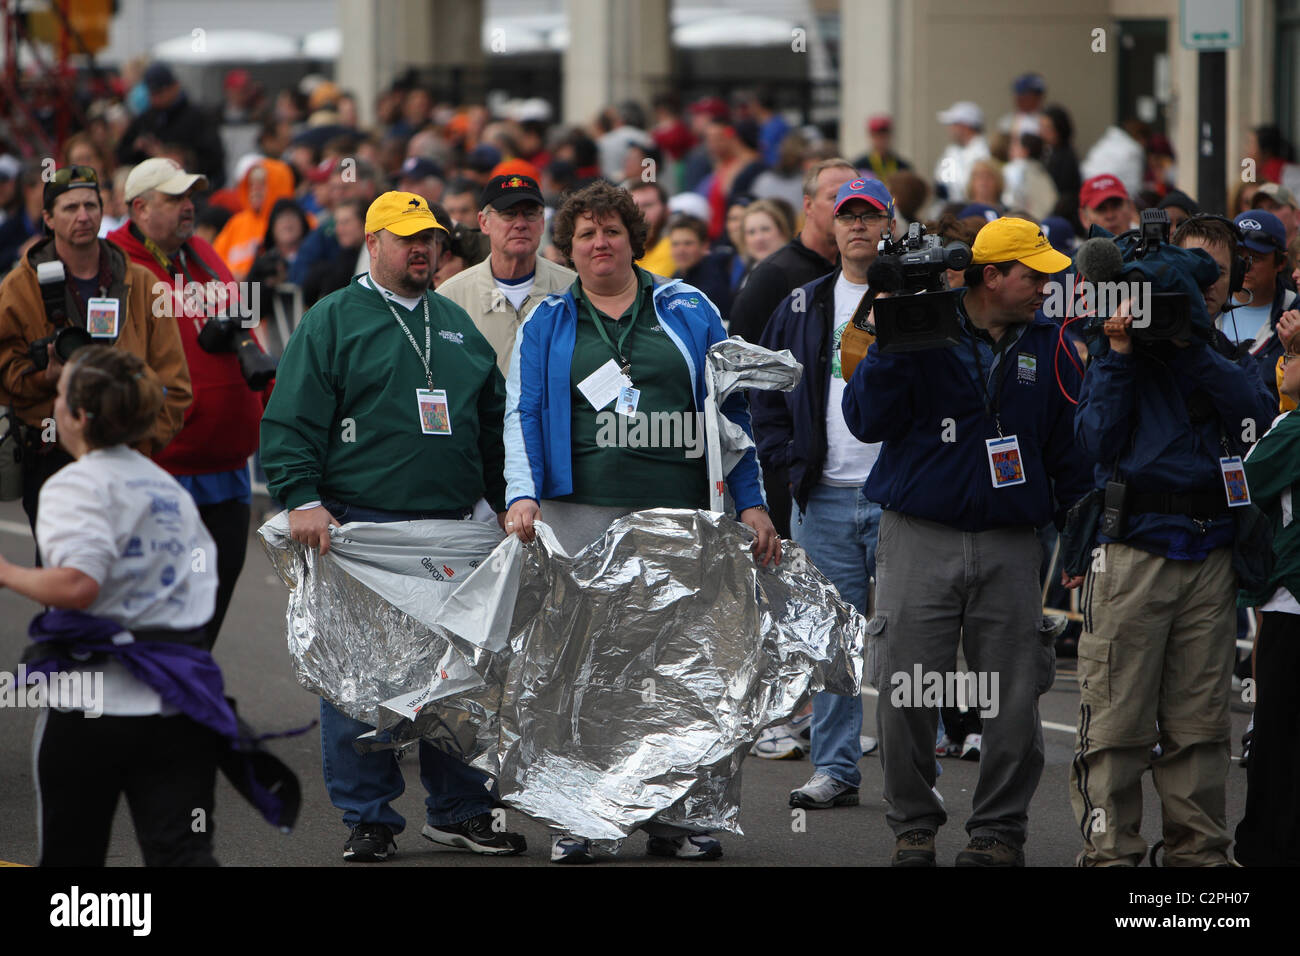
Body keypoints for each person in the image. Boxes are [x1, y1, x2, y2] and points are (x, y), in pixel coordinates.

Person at [500, 180, 778, 864]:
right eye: (587, 233)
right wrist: (522, 493)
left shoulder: (687, 307)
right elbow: (522, 413)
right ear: (571, 247)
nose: (600, 243)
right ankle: (579, 817)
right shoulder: (547, 320)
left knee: (674, 669)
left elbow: (730, 415)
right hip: (578, 514)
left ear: (633, 237)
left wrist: (751, 501)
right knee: (582, 670)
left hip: (677, 514)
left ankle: (675, 819)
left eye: (612, 230)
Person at [260, 191, 527, 862]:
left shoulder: (457, 324)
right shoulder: (333, 319)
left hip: (454, 532)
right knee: (357, 679)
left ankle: (461, 808)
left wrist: (508, 501)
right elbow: (291, 418)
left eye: (430, 239)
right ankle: (369, 816)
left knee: (456, 678)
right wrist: (300, 496)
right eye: (406, 238)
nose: (421, 249)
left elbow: (491, 429)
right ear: (373, 243)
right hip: (360, 532)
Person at [843, 217, 1088, 866]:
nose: (1046, 285)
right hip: (919, 535)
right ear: (991, 276)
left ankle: (998, 834)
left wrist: (1081, 547)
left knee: (1013, 699)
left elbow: (1069, 454)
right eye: (1033, 274)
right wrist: (892, 338)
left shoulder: (1053, 343)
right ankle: (913, 829)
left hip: (1013, 542)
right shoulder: (922, 326)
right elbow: (865, 421)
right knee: (906, 692)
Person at [1069, 238, 1277, 866]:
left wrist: (1191, 351)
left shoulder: (1217, 354)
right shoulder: (1115, 352)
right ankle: (1112, 857)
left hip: (1210, 551)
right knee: (1115, 723)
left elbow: (1255, 417)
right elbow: (1095, 443)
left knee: (1200, 726)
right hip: (1133, 551)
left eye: (1209, 278)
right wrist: (1122, 352)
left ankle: (1200, 859)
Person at [0, 347, 219, 866]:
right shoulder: (168, 488)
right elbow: (201, 576)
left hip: (94, 704)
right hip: (178, 698)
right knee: (182, 853)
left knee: (72, 860)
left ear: (77, 417)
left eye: (59, 394)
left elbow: (79, 585)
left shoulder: (73, 485)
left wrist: (7, 573)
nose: (54, 403)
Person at [753, 178, 895, 804]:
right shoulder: (803, 304)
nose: (858, 225)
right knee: (832, 643)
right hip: (826, 497)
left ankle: (915, 778)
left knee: (905, 642)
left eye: (869, 215)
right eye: (847, 216)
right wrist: (785, 461)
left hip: (900, 498)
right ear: (830, 228)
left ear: (889, 222)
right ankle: (836, 770)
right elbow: (768, 389)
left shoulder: (913, 298)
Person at [108, 157, 272, 649]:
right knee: (166, 599)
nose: (189, 206)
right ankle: (163, 704)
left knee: (215, 591)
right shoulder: (116, 264)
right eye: (174, 198)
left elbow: (240, 326)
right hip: (164, 462)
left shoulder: (201, 251)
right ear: (139, 208)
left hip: (226, 463)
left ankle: (192, 696)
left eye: (190, 197)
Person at [0, 165, 191, 531]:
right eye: (70, 208)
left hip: (127, 457)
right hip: (51, 456)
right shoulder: (19, 287)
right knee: (63, 570)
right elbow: (6, 374)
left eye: (91, 205)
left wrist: (136, 441)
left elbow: (176, 385)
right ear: (48, 219)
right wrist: (46, 376)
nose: (84, 216)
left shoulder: (140, 281)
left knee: (128, 568)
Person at [730, 159, 857, 545]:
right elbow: (740, 374)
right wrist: (781, 457)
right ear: (807, 206)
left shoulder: (866, 275)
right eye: (835, 197)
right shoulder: (775, 276)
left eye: (856, 199)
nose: (846, 208)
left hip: (861, 473)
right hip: (797, 478)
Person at [1232, 349, 1300, 865]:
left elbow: (1241, 485)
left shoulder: (1293, 428)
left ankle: (1263, 847)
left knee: (1275, 738)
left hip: (1291, 601)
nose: (1284, 362)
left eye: (1297, 355)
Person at [435, 174, 576, 376]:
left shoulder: (572, 288)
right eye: (509, 214)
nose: (520, 224)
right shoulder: (451, 298)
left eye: (530, 214)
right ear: (484, 223)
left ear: (542, 223)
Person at [116, 63, 226, 189]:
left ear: (175, 87)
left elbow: (214, 158)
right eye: (151, 93)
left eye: (159, 92)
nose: (155, 98)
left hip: (191, 187)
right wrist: (136, 148)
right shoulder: (146, 118)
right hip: (152, 188)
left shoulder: (198, 117)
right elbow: (122, 153)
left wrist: (176, 157)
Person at [1231, 210, 1299, 403]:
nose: (1245, 265)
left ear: (1281, 262)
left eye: (1256, 258)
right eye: (1238, 256)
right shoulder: (1208, 308)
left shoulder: (1295, 312)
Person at [213, 158, 299, 280]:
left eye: (262, 184)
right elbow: (213, 261)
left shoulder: (297, 222)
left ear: (279, 185)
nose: (255, 190)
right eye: (251, 184)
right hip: (233, 293)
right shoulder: (237, 223)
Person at [668, 214, 732, 321]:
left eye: (688, 243)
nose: (681, 250)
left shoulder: (715, 279)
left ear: (704, 246)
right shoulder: (676, 276)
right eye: (675, 244)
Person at [934, 101, 990, 204]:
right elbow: (941, 184)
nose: (950, 129)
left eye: (954, 124)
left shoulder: (984, 153)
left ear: (965, 126)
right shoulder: (953, 150)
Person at [629, 180, 675, 277]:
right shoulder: (625, 250)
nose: (640, 213)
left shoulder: (677, 246)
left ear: (667, 210)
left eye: (647, 205)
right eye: (634, 207)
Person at [852, 115, 912, 181]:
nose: (880, 141)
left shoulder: (902, 167)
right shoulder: (859, 165)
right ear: (870, 137)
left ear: (890, 136)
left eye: (884, 136)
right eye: (876, 136)